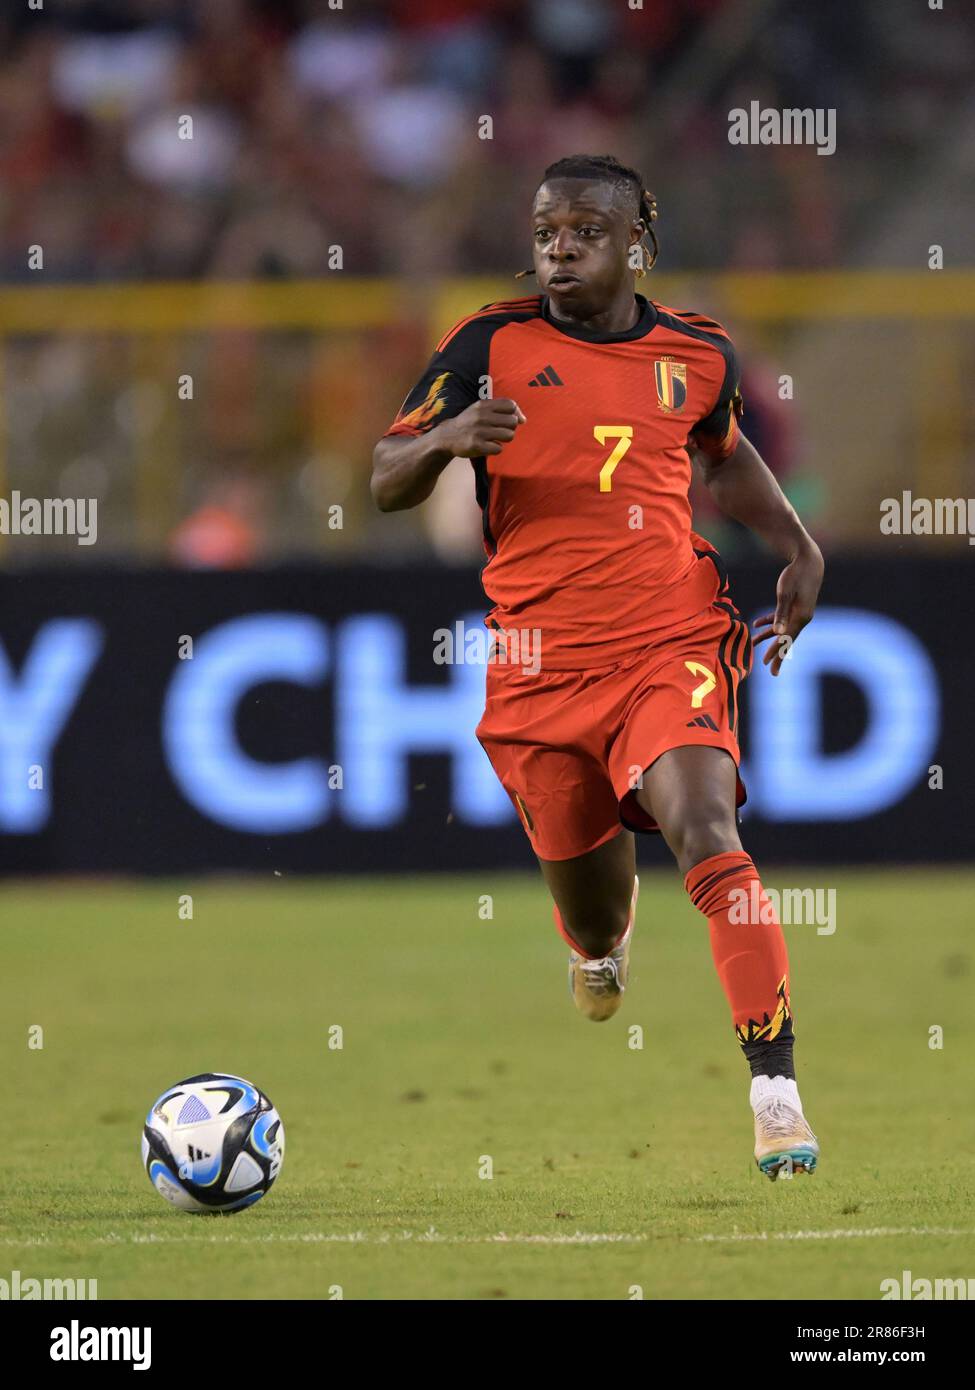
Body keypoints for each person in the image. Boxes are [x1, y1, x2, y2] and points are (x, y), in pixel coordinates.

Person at [371, 154, 824, 1180]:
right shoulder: (488, 343)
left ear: (636, 243)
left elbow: (724, 452)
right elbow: (384, 477)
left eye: (584, 231)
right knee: (587, 906)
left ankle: (776, 1090)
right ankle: (596, 945)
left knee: (708, 830)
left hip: (670, 636)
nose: (560, 249)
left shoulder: (698, 354)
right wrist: (446, 436)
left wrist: (798, 542)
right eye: (545, 233)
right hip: (537, 668)